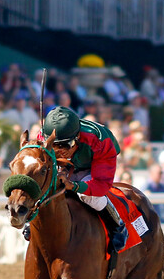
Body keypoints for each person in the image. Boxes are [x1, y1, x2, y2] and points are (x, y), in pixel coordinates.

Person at [22, 106, 128, 251]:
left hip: (92, 166)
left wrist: (75, 186)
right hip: (67, 166)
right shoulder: (42, 138)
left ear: (77, 137)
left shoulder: (101, 140)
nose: (60, 151)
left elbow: (101, 185)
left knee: (88, 196)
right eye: (54, 145)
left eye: (65, 145)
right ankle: (32, 221)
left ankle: (117, 226)